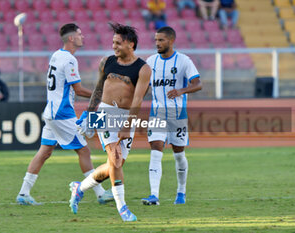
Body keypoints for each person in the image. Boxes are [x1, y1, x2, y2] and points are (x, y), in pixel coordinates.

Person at [16, 23, 113, 206]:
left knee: (44, 152)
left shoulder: (56, 55)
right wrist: (99, 94)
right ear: (71, 38)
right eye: (79, 34)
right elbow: (77, 89)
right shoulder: (69, 60)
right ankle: (100, 193)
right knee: (83, 150)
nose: (82, 37)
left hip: (51, 111)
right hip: (62, 114)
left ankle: (23, 193)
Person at [68, 23, 151, 221]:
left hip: (125, 117)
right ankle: (122, 208)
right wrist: (89, 114)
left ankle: (80, 187)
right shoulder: (106, 62)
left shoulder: (143, 68)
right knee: (115, 160)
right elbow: (98, 90)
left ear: (130, 44)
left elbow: (138, 99)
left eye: (118, 43)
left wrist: (127, 125)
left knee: (115, 164)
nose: (114, 46)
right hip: (104, 114)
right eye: (113, 42)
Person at [141, 26, 202, 206]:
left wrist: (181, 91)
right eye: (156, 40)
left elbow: (198, 84)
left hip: (178, 115)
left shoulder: (184, 61)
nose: (157, 43)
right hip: (157, 114)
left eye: (161, 40)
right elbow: (144, 86)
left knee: (178, 155)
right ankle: (154, 195)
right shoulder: (151, 61)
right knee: (155, 151)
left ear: (171, 41)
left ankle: (181, 192)